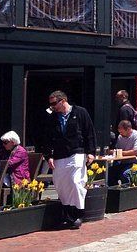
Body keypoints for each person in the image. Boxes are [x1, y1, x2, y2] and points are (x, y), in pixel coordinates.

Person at [45, 90, 96, 229]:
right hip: (60, 154)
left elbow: (89, 132)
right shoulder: (52, 118)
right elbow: (47, 137)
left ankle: (79, 213)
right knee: (61, 184)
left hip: (77, 151)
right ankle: (67, 213)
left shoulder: (80, 112)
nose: (52, 106)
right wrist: (48, 155)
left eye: (54, 103)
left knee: (75, 181)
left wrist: (91, 152)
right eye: (50, 104)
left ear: (63, 101)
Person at [109, 120, 137, 185]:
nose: (120, 134)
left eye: (122, 132)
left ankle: (127, 191)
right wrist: (113, 152)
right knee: (110, 172)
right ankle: (113, 191)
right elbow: (118, 150)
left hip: (136, 163)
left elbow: (135, 152)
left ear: (128, 129)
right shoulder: (120, 137)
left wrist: (119, 152)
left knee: (124, 174)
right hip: (123, 163)